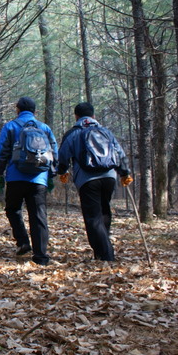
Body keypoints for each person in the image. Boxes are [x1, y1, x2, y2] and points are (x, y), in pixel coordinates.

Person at [56, 102, 133, 262]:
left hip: (87, 180)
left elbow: (62, 156)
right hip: (109, 177)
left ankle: (106, 255)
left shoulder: (73, 133)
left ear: (76, 116)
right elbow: (120, 153)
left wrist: (62, 172)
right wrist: (124, 173)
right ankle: (102, 250)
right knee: (104, 211)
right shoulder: (106, 132)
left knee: (93, 217)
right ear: (93, 116)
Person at [0, 97, 58, 265]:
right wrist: (51, 175)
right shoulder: (44, 128)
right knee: (39, 216)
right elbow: (54, 153)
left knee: (13, 209)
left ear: (17, 109)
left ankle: (23, 242)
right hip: (39, 179)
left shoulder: (10, 126)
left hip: (16, 177)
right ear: (35, 112)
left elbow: (2, 152)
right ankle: (41, 257)